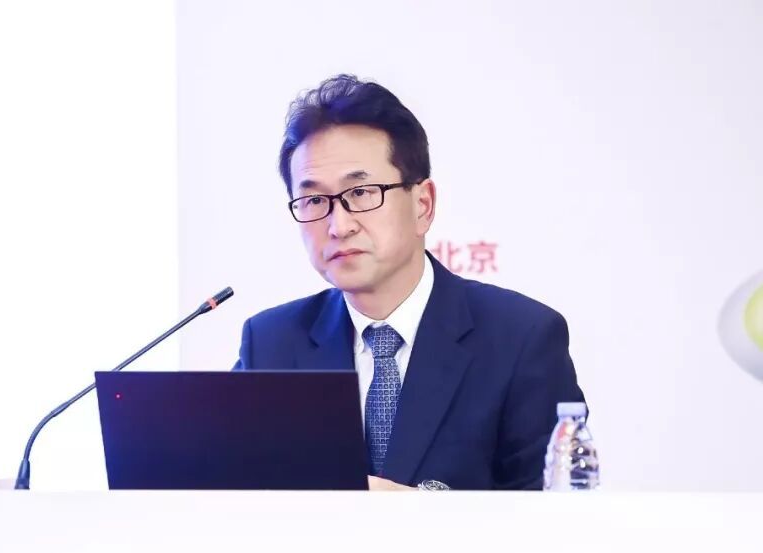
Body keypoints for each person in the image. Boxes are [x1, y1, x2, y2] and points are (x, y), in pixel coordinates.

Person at [234, 74, 585, 490]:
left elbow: (556, 513)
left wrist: (421, 511)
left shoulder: (521, 338)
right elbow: (231, 494)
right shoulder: (271, 344)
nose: (339, 225)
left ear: (423, 205)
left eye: (361, 193)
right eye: (313, 200)